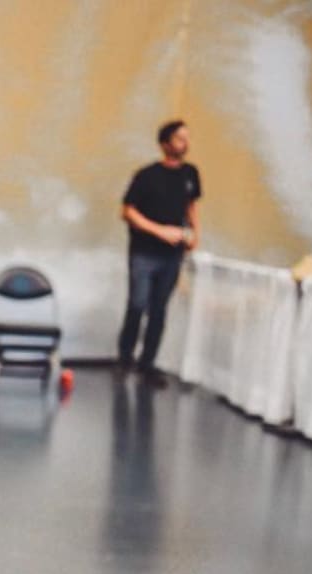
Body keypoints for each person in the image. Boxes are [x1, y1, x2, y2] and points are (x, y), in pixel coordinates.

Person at [117, 119, 202, 388]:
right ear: (165, 144)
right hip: (144, 251)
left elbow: (191, 206)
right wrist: (160, 231)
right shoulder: (146, 176)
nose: (184, 143)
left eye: (186, 138)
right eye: (179, 138)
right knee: (138, 304)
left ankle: (148, 362)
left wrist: (195, 234)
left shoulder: (190, 173)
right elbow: (128, 211)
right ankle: (125, 357)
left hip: (172, 255)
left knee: (159, 309)